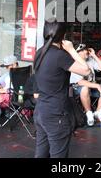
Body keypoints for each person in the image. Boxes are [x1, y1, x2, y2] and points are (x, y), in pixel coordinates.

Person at [33, 20, 91, 158]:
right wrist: (71, 50)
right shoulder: (60, 55)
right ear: (63, 36)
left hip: (41, 111)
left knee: (41, 153)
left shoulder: (39, 52)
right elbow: (86, 70)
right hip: (56, 114)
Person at [70, 44, 101, 127]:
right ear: (77, 53)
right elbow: (80, 82)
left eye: (86, 49)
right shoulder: (74, 63)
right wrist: (97, 86)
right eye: (83, 50)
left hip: (92, 88)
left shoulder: (90, 60)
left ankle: (98, 111)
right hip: (78, 88)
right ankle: (89, 114)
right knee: (85, 88)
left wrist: (94, 55)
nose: (86, 51)